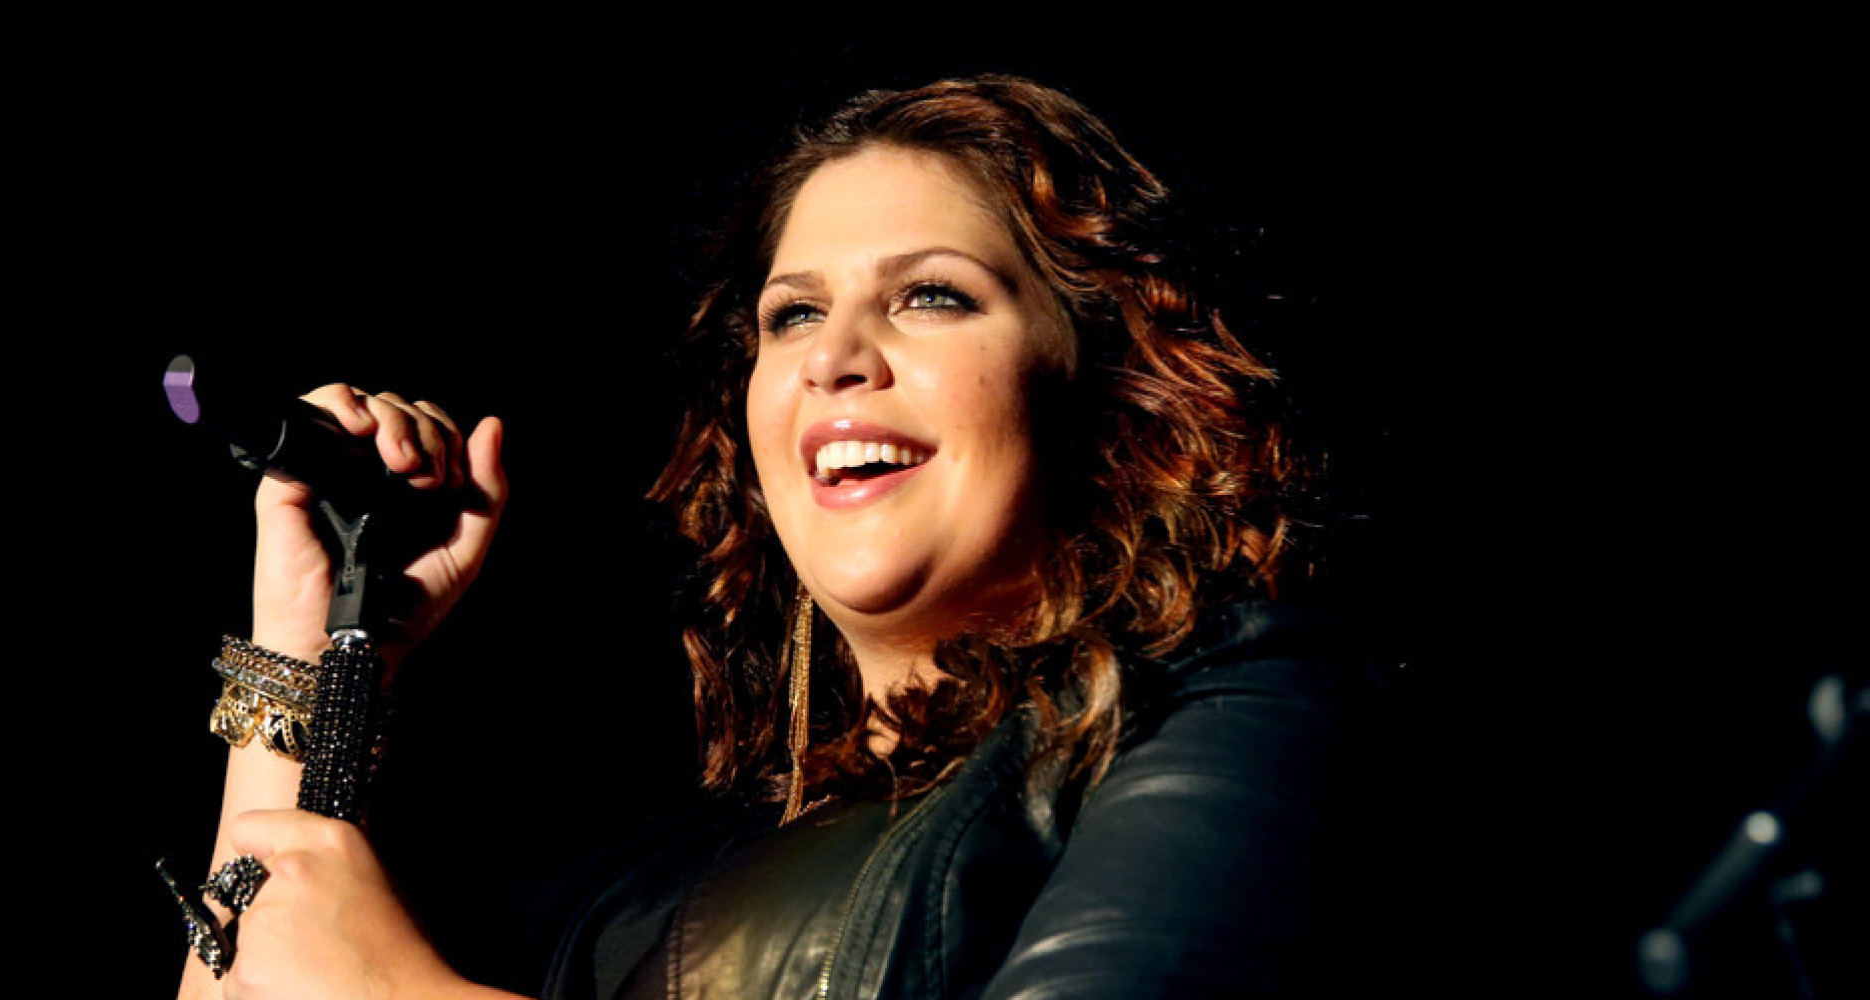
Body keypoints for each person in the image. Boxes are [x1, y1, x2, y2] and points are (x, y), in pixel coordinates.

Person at [177, 75, 1373, 999]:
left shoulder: (1236, 704)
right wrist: (308, 647)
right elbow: (256, 969)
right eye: (792, 314)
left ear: (1096, 391)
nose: (832, 357)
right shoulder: (639, 891)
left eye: (931, 294)